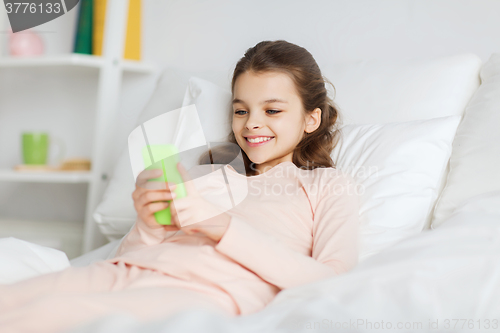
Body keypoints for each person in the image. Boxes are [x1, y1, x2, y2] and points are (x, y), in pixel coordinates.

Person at [0, 40, 360, 333]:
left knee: (41, 319)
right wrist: (148, 225)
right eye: (241, 110)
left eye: (272, 111)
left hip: (203, 291)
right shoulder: (210, 174)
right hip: (126, 272)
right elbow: (125, 257)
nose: (252, 124)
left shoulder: (326, 185)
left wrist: (221, 226)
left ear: (311, 119)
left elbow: (332, 280)